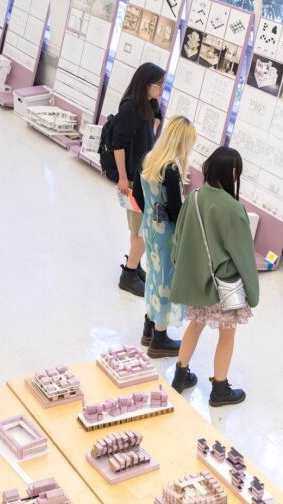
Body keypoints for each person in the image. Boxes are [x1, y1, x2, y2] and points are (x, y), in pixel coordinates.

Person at [169, 147, 259, 407]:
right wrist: (252, 292)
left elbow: (180, 239)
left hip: (197, 280)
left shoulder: (194, 197)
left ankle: (180, 375)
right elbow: (243, 256)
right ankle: (219, 389)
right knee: (227, 334)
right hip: (224, 285)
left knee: (194, 324)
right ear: (232, 173)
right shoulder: (233, 209)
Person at [138, 116, 197, 357]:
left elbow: (139, 195)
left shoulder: (149, 159)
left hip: (150, 230)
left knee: (153, 276)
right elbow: (176, 211)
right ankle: (159, 339)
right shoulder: (171, 168)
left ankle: (149, 327)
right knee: (165, 282)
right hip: (167, 237)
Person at [111, 62, 166, 297]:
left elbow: (153, 130)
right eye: (159, 85)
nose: (162, 89)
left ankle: (134, 266)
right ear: (146, 84)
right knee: (143, 229)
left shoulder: (148, 105)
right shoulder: (129, 108)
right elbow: (118, 144)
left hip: (144, 174)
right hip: (133, 179)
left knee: (138, 229)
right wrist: (123, 177)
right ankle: (129, 272)